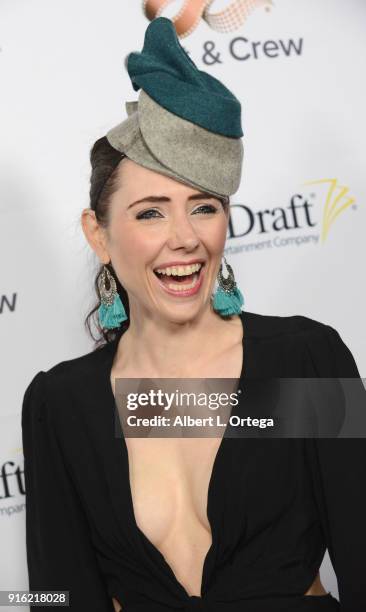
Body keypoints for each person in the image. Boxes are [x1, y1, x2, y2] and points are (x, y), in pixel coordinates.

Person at [21, 17, 366, 612]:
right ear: (98, 235)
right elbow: (59, 596)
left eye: (202, 207)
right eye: (151, 213)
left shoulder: (303, 363)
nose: (184, 238)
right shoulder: (62, 406)